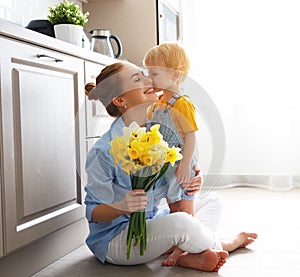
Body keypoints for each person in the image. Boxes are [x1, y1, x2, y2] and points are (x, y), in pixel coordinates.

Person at [84, 61, 257, 272]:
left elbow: (172, 186)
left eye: (145, 75)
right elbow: (94, 213)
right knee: (182, 223)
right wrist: (122, 206)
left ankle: (186, 253)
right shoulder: (103, 151)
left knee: (212, 200)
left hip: (152, 220)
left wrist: (191, 181)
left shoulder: (160, 133)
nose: (149, 80)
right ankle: (224, 244)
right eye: (137, 79)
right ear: (120, 100)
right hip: (118, 239)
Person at [143, 42, 198, 265]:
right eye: (148, 73)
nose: (149, 78)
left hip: (181, 165)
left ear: (175, 74)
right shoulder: (156, 104)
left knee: (185, 208)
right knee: (173, 206)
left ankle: (188, 246)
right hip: (165, 167)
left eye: (154, 73)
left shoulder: (182, 104)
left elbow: (191, 135)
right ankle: (178, 243)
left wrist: (185, 165)